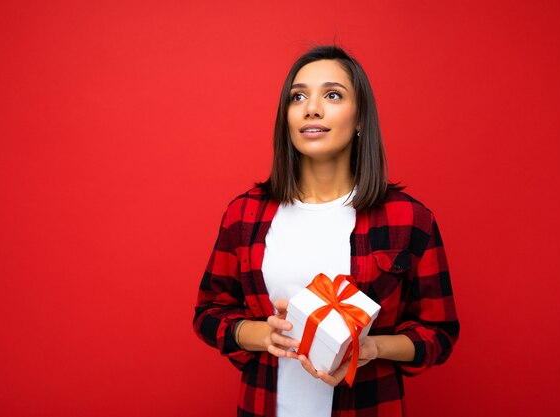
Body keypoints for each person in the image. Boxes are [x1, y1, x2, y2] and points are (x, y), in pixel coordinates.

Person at [192, 45, 459, 417]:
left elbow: (439, 334)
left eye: (332, 95)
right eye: (298, 96)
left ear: (361, 118)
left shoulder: (408, 219)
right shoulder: (244, 214)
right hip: (263, 407)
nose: (311, 108)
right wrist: (261, 335)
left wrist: (373, 349)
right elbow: (208, 312)